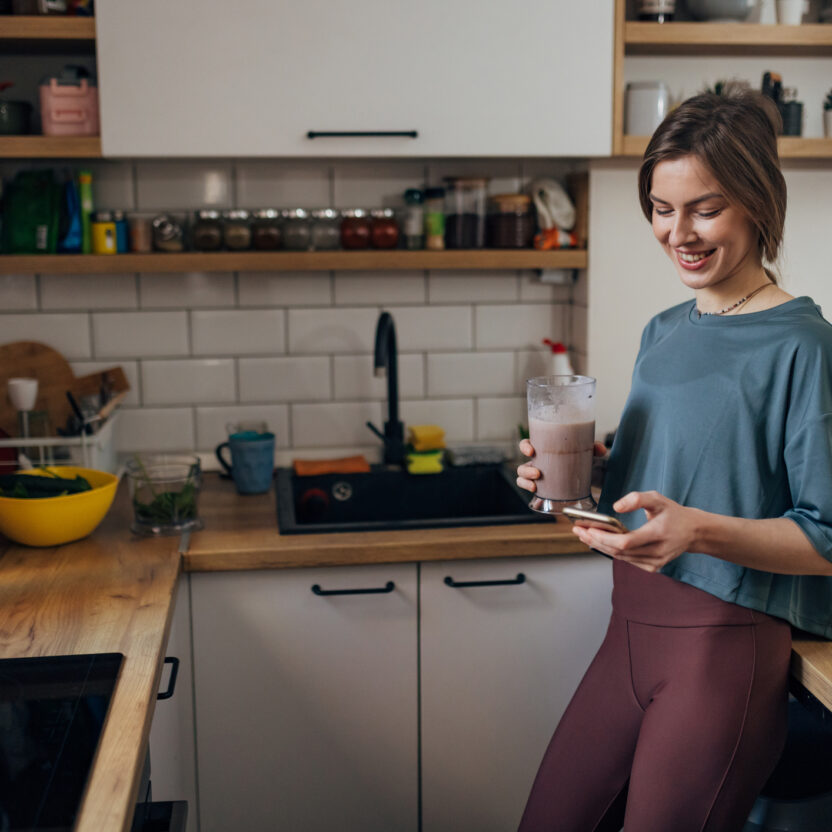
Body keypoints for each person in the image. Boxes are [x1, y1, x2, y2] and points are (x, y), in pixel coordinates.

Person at [515, 90, 832, 832]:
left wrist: (697, 531)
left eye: (704, 208)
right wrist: (577, 478)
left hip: (722, 653)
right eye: (661, 208)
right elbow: (659, 480)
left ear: (757, 203)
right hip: (625, 632)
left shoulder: (803, 346)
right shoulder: (664, 329)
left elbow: (825, 536)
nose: (677, 232)